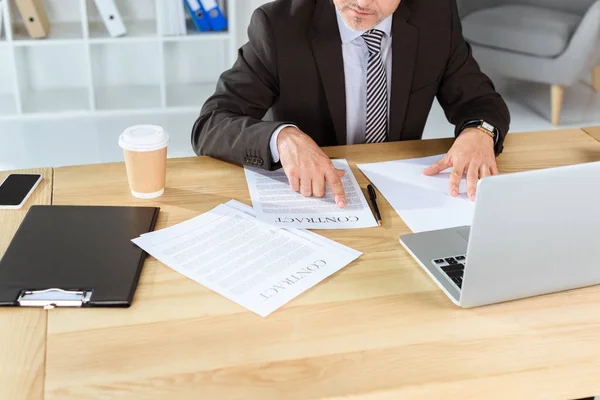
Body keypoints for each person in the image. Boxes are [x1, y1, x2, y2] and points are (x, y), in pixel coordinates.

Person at [192, 0, 510, 208]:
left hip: (399, 198)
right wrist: (282, 139)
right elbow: (211, 123)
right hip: (316, 199)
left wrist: (479, 132)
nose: (361, 2)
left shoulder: (435, 16)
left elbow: (480, 101)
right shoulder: (278, 25)